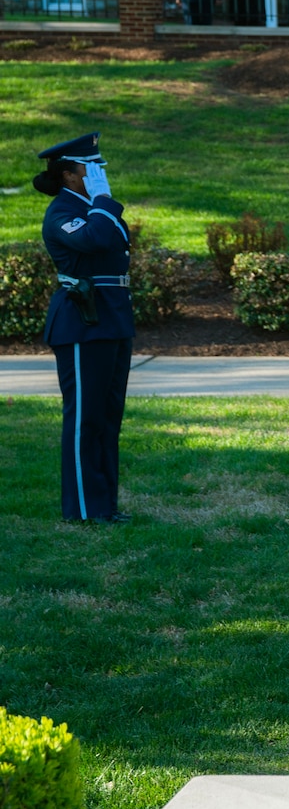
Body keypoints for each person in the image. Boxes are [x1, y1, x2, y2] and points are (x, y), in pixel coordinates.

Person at [34, 133, 134, 524]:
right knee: (85, 419)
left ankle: (105, 506)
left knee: (108, 418)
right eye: (92, 167)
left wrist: (101, 204)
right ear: (70, 175)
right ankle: (82, 511)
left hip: (111, 317)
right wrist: (104, 202)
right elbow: (94, 240)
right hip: (82, 321)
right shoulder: (63, 212)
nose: (99, 173)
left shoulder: (93, 208)